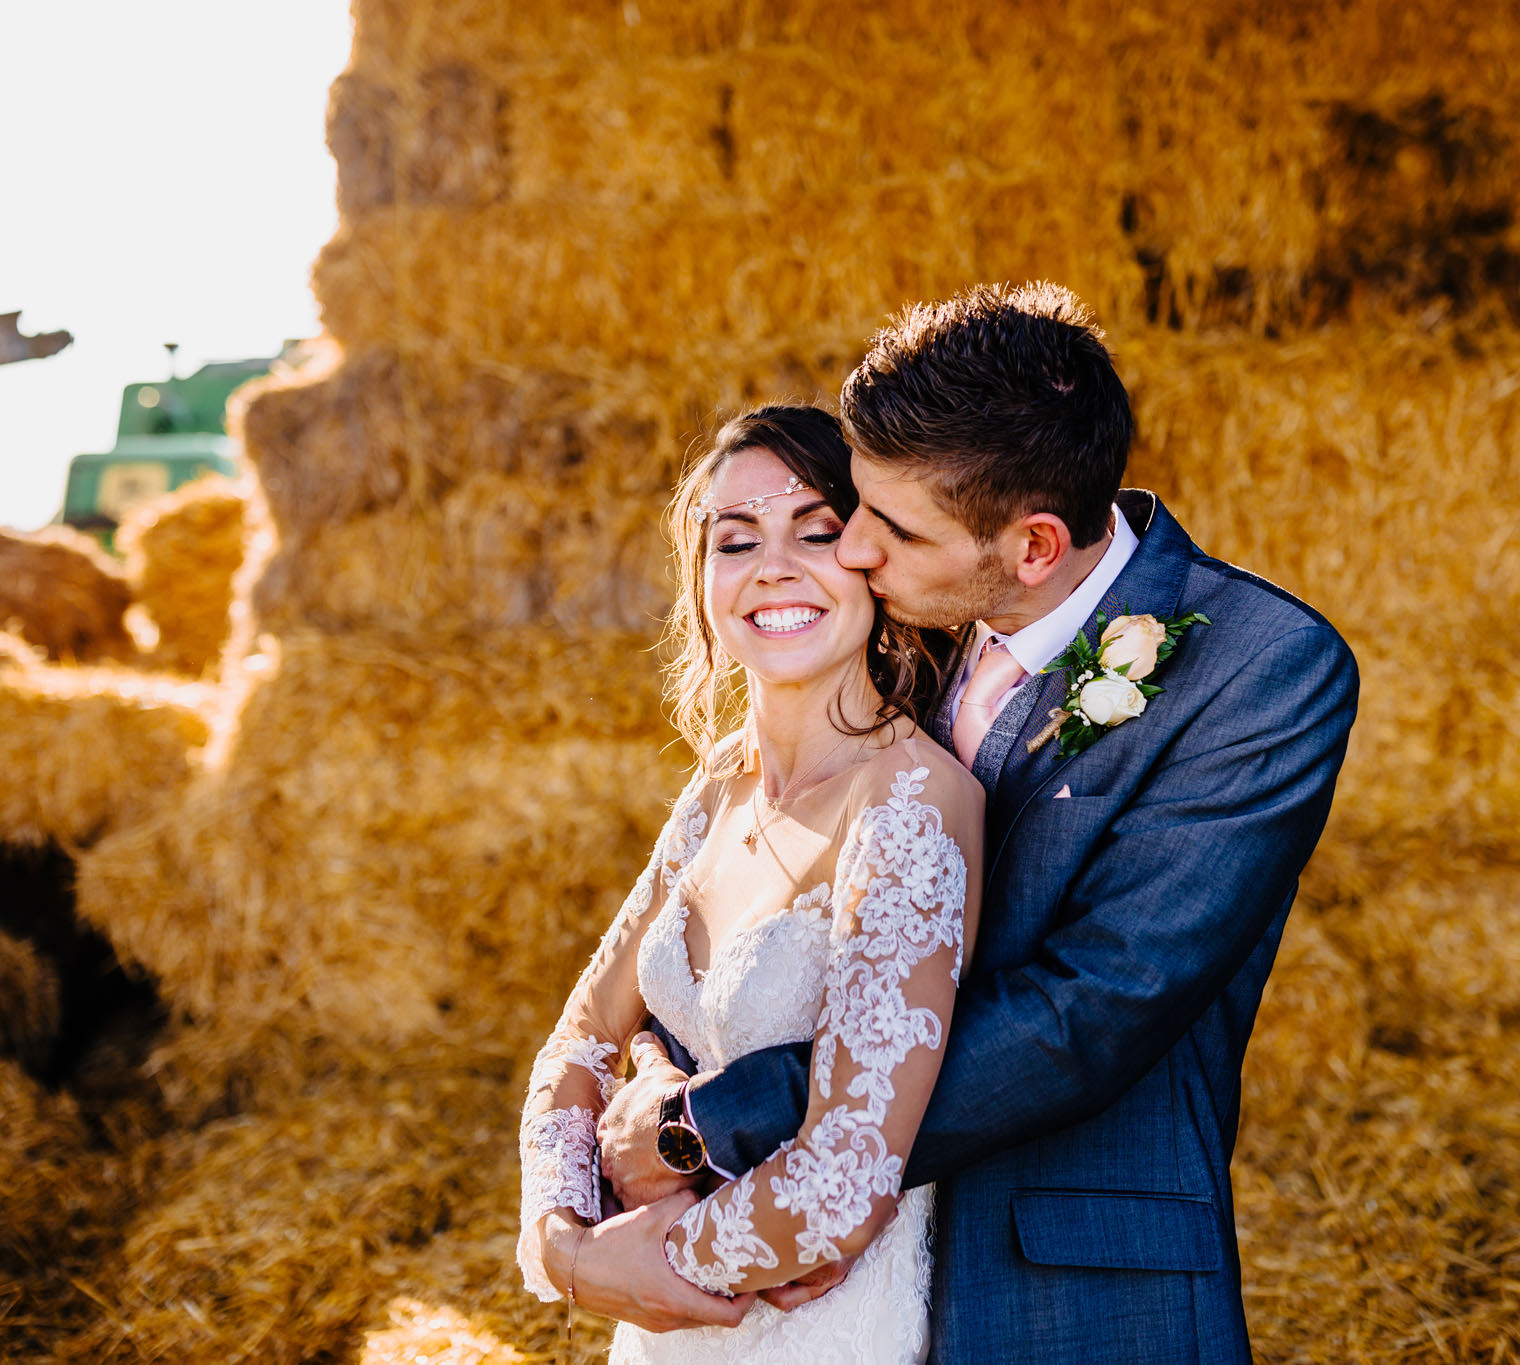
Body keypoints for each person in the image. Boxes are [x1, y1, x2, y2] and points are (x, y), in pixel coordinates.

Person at [594, 282, 1360, 1364]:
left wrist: (719, 1121)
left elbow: (1094, 1008)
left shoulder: (1259, 670)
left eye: (889, 528)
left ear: (1033, 547)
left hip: (1062, 1281)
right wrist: (662, 1084)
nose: (850, 550)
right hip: (796, 1267)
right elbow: (765, 889)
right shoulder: (906, 614)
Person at [517, 404, 986, 1363]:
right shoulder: (718, 783)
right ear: (702, 582)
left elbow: (848, 1174)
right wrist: (560, 1241)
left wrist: (643, 1262)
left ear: (873, 562)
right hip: (659, 1337)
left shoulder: (911, 802)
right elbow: (580, 1037)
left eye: (815, 532)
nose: (774, 565)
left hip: (820, 1331)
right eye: (736, 541)